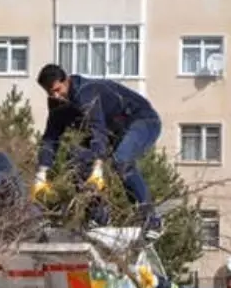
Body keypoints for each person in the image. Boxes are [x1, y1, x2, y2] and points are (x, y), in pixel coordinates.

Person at [33, 64, 163, 235]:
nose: (56, 96)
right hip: (113, 131)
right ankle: (98, 218)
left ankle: (150, 218)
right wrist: (42, 171)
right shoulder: (57, 104)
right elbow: (51, 137)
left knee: (121, 161)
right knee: (78, 159)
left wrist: (98, 166)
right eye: (51, 93)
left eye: (58, 90)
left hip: (142, 121)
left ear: (67, 81)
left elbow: (97, 129)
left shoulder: (87, 92)